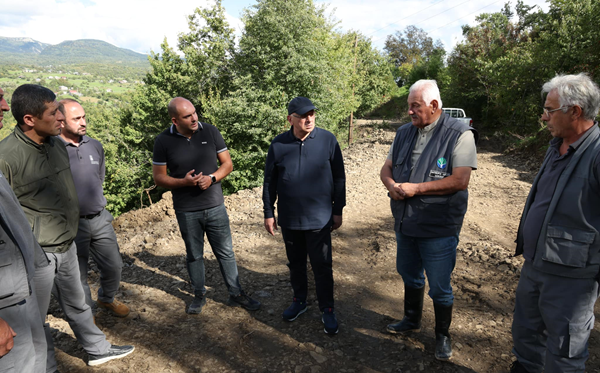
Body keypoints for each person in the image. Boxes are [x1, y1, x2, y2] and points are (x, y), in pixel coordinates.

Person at [0, 84, 134, 371]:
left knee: (78, 304)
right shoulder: (7, 157)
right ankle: (46, 366)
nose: (60, 119)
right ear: (29, 119)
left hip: (67, 244)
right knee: (34, 320)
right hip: (37, 256)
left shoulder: (56, 145)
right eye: (53, 113)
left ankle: (98, 349)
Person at [380, 80, 477, 360]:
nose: (409, 112)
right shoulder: (403, 133)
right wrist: (390, 186)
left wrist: (415, 188)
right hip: (405, 222)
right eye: (409, 106)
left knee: (439, 286)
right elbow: (386, 168)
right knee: (408, 273)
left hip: (438, 227)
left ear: (434, 106)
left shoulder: (460, 133)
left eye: (415, 106)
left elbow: (460, 180)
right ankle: (411, 319)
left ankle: (442, 335)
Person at [510, 73, 600, 373]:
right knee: (526, 334)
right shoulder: (556, 145)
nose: (543, 116)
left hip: (572, 278)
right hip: (535, 264)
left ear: (575, 111)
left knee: (565, 350)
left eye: (550, 110)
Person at [152, 97, 260, 314]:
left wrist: (212, 178)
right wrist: (184, 182)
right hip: (186, 209)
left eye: (194, 113)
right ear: (175, 120)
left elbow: (227, 164)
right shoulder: (162, 141)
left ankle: (236, 293)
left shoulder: (210, 131)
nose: (194, 118)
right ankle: (199, 295)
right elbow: (159, 178)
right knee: (194, 255)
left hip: (215, 205)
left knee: (226, 252)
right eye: (187, 116)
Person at [263, 96, 346, 335]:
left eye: (311, 114)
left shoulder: (328, 140)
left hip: (320, 218)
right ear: (291, 119)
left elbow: (339, 177)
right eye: (302, 115)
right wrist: (269, 212)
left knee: (322, 265)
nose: (309, 118)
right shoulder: (278, 145)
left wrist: (337, 209)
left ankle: (327, 308)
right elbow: (270, 182)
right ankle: (299, 300)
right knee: (296, 264)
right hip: (289, 218)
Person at [58, 99, 129, 318]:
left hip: (99, 219)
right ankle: (87, 319)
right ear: (60, 121)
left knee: (114, 266)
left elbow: (99, 177)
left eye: (84, 117)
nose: (83, 122)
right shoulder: (52, 150)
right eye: (76, 118)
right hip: (70, 225)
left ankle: (106, 299)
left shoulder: (94, 145)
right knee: (78, 276)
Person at [0, 86, 49, 373]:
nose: (6, 107)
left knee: (34, 358)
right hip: (5, 302)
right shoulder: (7, 154)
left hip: (20, 286)